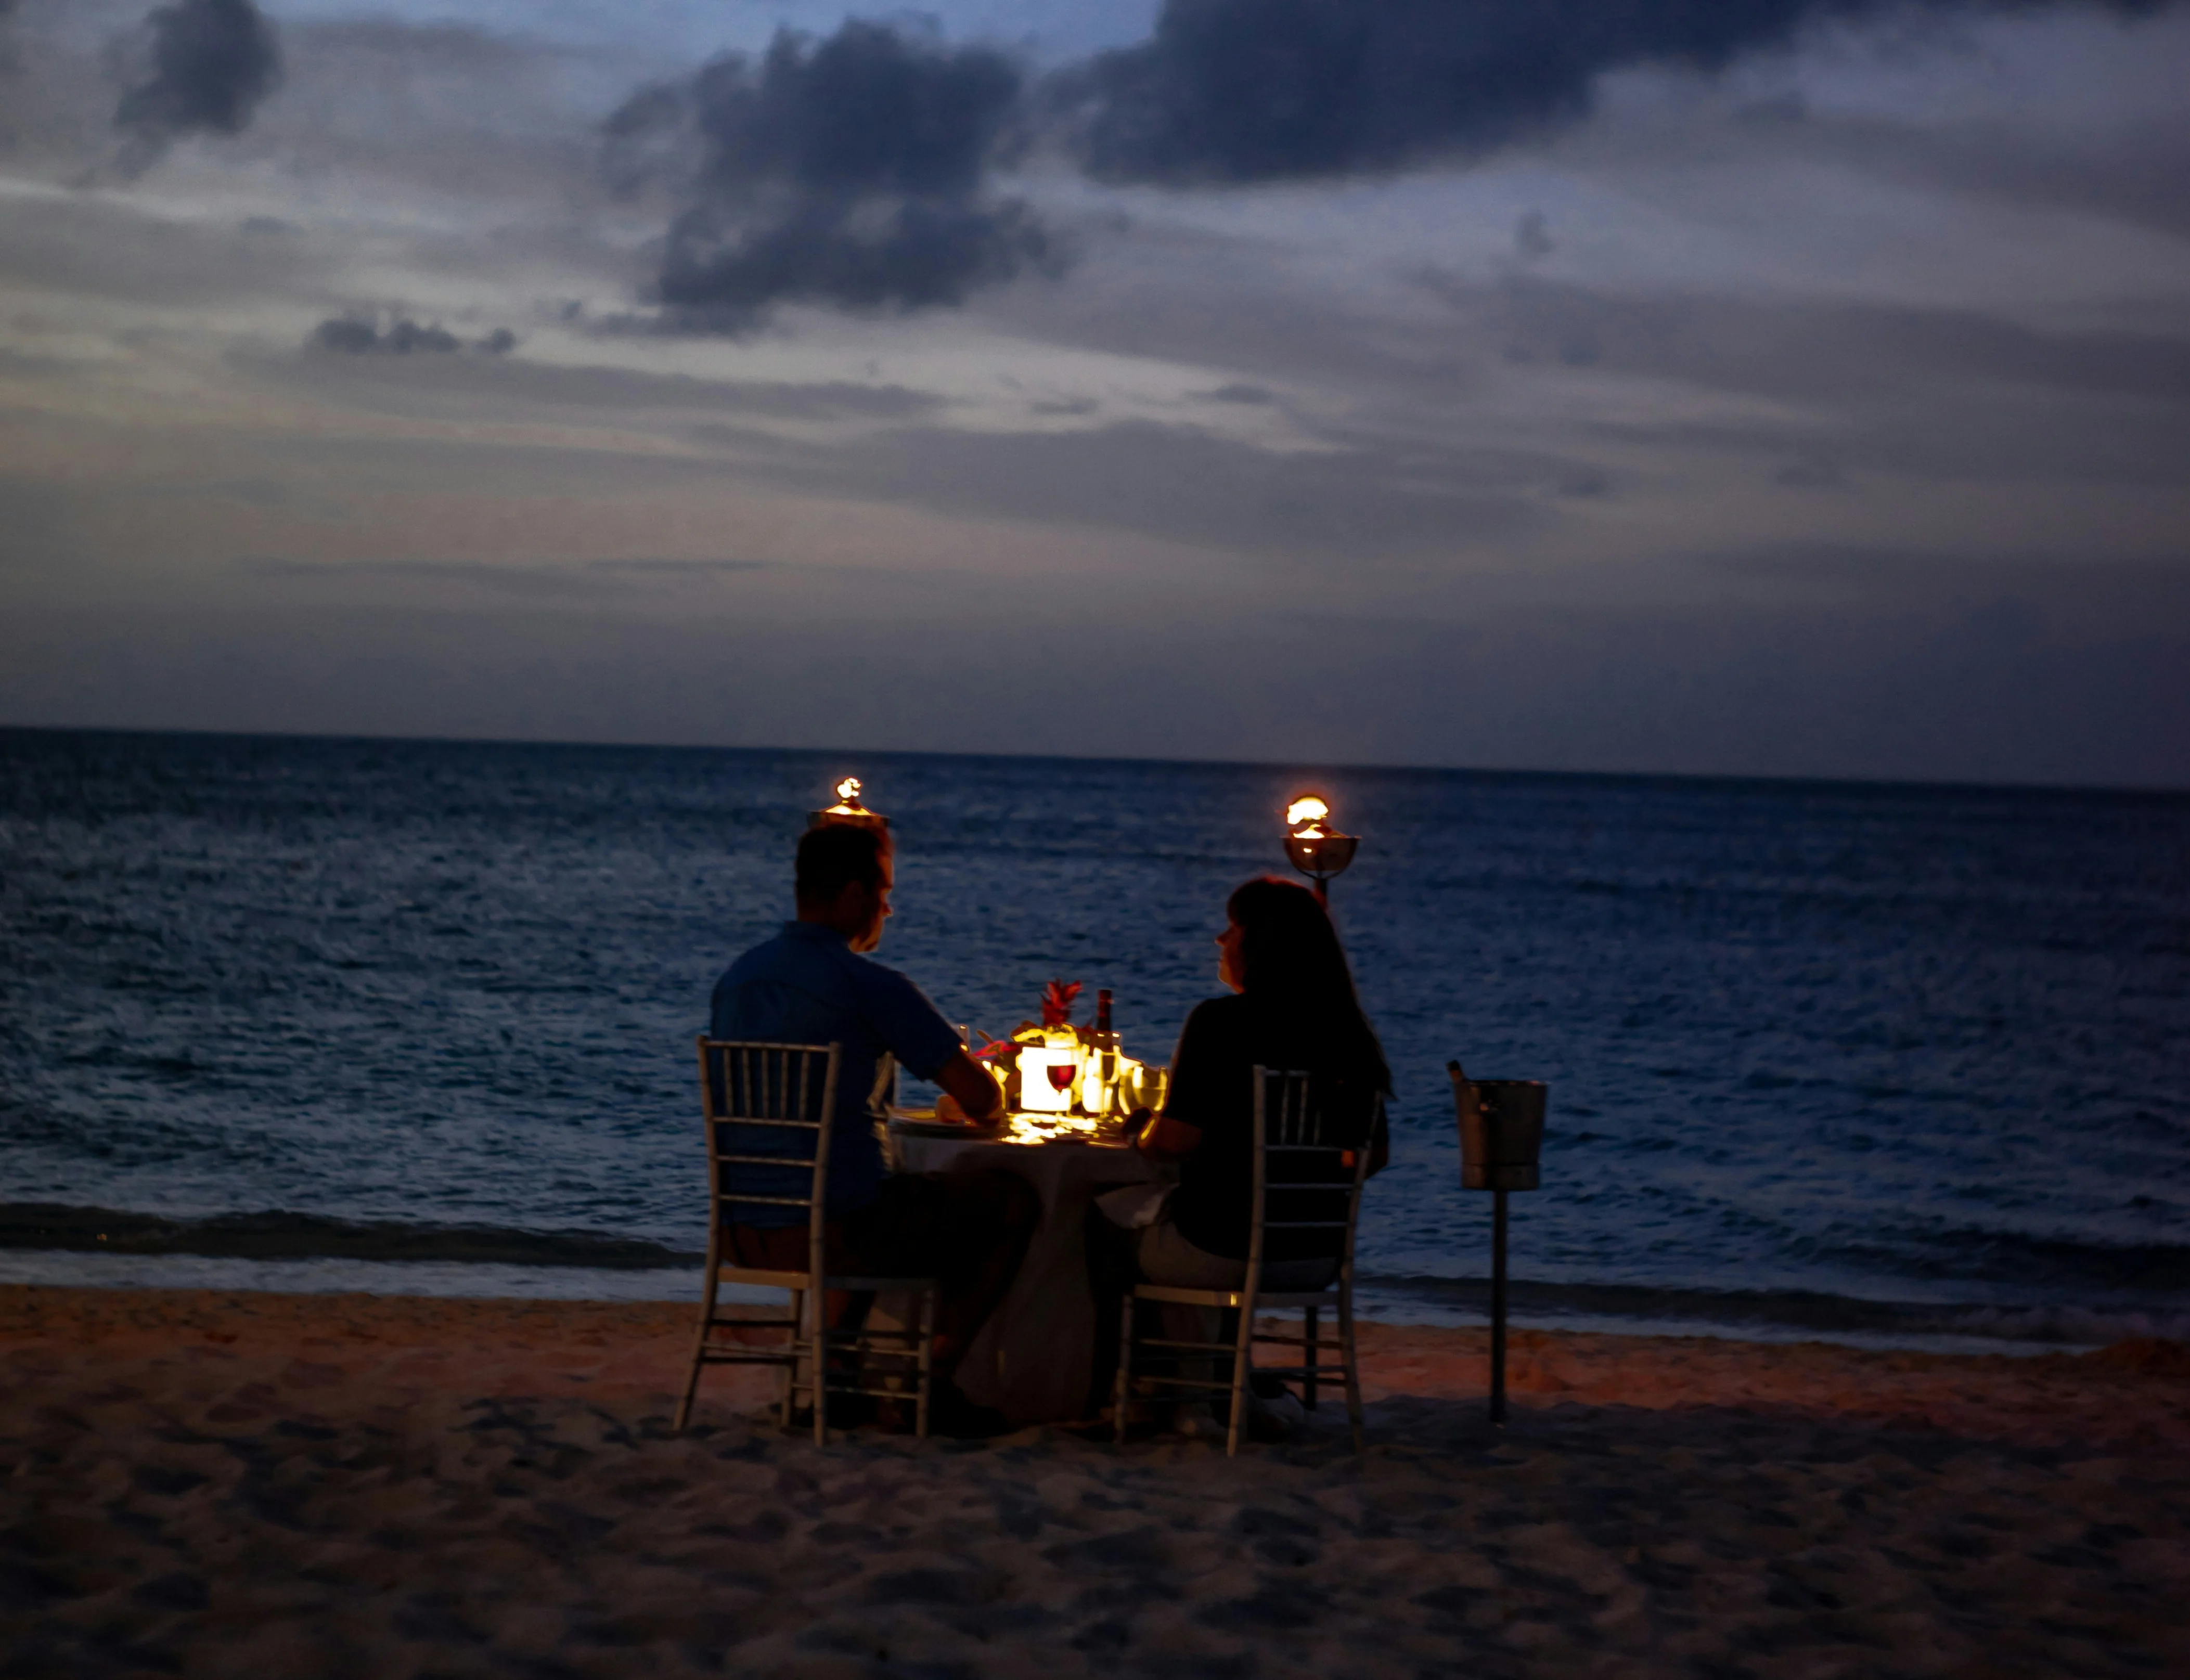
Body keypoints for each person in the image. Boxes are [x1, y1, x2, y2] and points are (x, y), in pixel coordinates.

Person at [710, 819, 1035, 1435]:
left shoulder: (736, 980)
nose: (888, 906)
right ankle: (932, 1382)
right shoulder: (870, 984)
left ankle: (833, 1379)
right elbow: (982, 1097)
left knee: (866, 1183)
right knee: (1008, 1200)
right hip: (837, 1232)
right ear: (856, 895)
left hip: (743, 1230)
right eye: (885, 892)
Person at [1087, 874, 1391, 1432]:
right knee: (1187, 1224)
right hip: (1312, 1255)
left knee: (1104, 1220)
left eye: (1231, 928)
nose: (1219, 940)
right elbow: (1372, 1156)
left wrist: (1138, 1133)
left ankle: (1135, 1392)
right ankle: (1216, 1390)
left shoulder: (1219, 1022)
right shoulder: (1347, 1034)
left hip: (1220, 1245)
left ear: (1258, 942)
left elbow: (1175, 1141)